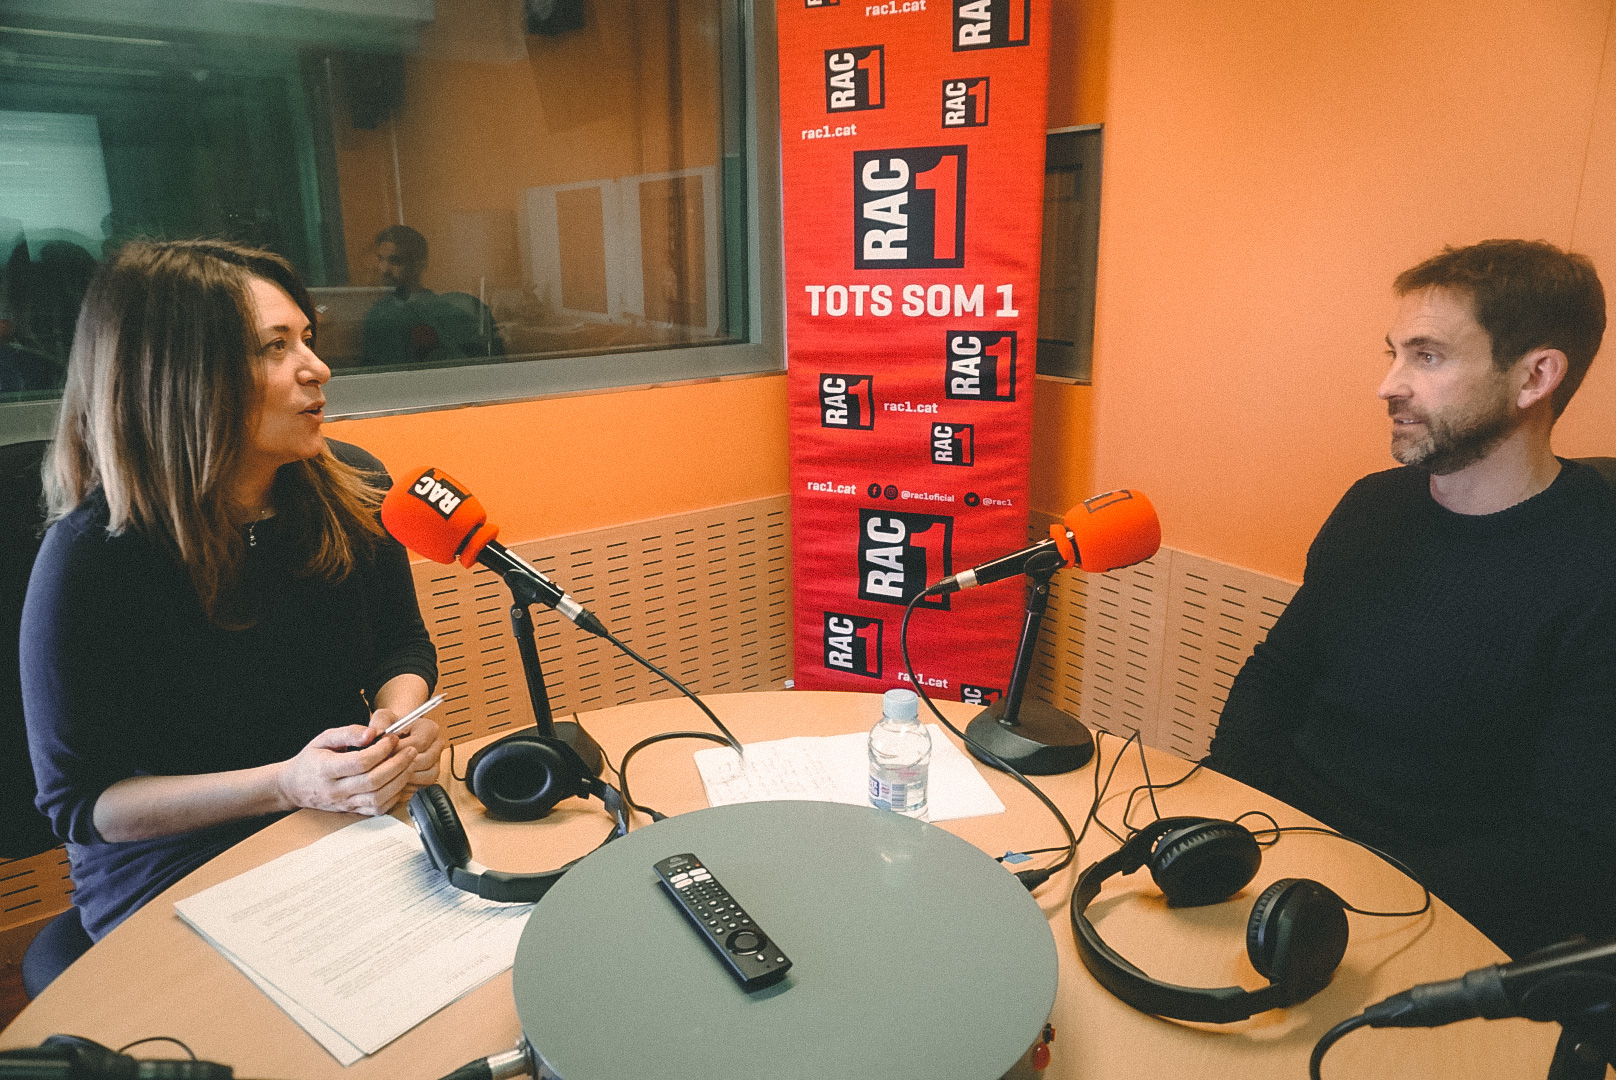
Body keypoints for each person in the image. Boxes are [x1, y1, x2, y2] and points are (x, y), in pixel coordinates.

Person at [21, 239, 445, 942]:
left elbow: (401, 645)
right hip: (172, 858)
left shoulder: (354, 487)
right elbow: (83, 804)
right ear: (181, 379)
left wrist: (399, 724)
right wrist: (284, 783)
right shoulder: (89, 555)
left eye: (306, 339)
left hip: (332, 813)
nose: (317, 369)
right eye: (275, 347)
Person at [1205, 239, 1616, 960]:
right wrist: (1220, 820)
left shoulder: (1596, 564)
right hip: (1287, 867)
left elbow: (1562, 848)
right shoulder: (1373, 506)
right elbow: (1277, 676)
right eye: (1394, 354)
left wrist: (1344, 902)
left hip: (1435, 922)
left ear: (1535, 377)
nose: (1388, 386)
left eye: (1427, 357)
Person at [360, 225, 504, 367]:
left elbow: (489, 365)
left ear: (419, 265)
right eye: (380, 259)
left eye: (395, 261)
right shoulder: (377, 314)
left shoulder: (454, 311)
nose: (384, 269)